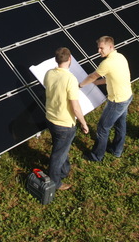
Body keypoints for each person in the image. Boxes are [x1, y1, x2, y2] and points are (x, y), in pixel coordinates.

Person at [79, 36, 132, 162]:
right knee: (120, 124)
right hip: (127, 96)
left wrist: (81, 84)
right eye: (98, 48)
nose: (99, 51)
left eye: (101, 48)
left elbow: (93, 76)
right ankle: (117, 150)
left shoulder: (107, 63)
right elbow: (112, 77)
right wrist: (96, 84)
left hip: (117, 101)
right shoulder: (120, 57)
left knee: (102, 129)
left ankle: (96, 156)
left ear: (110, 47)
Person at [44, 47, 89, 191]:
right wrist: (83, 123)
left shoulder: (49, 73)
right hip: (64, 123)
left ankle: (64, 171)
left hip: (50, 118)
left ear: (56, 59)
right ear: (70, 59)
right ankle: (55, 182)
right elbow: (75, 107)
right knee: (57, 155)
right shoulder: (70, 79)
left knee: (61, 148)